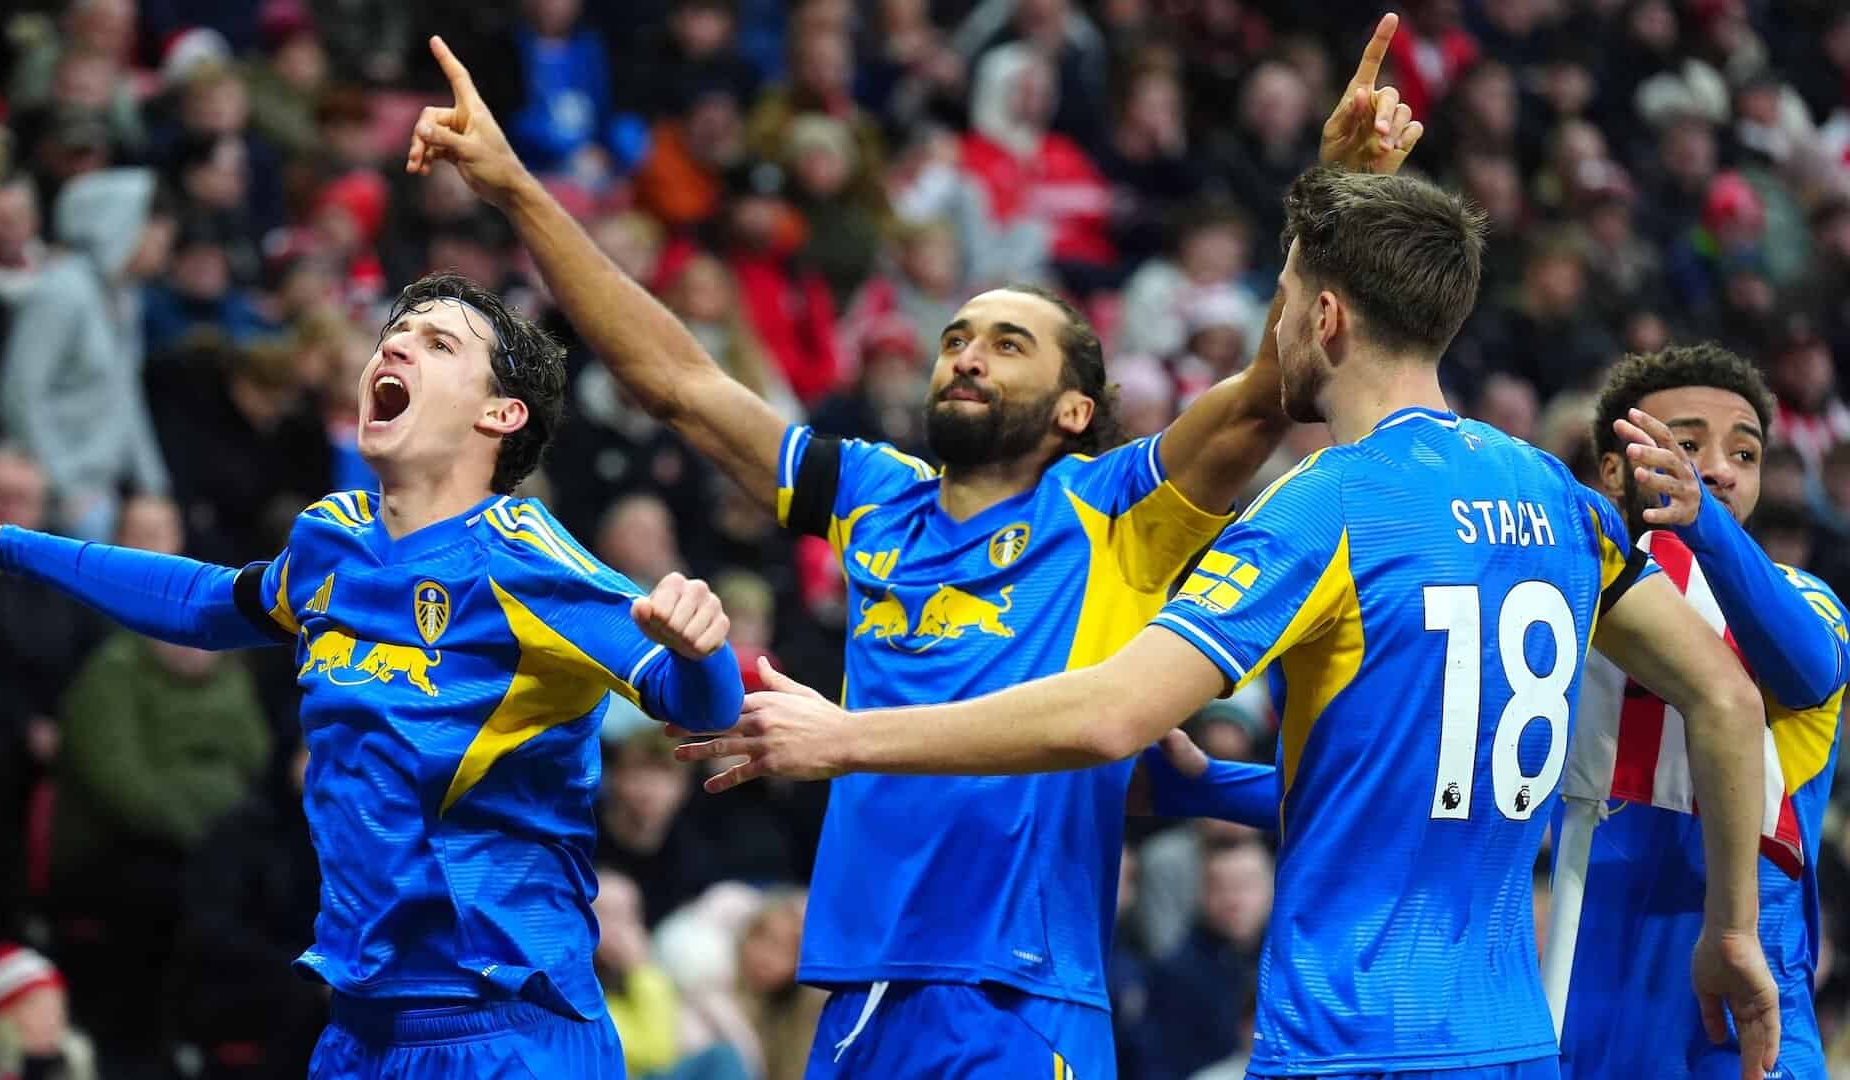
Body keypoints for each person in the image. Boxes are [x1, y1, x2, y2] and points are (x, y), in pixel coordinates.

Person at [404, 17, 1422, 1077]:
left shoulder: (1119, 506)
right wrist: (517, 187)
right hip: (858, 987)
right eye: (956, 339)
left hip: (1017, 994)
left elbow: (1267, 396)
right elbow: (681, 386)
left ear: (1077, 409)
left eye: (1006, 344)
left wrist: (1331, 200)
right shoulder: (874, 500)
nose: (967, 357)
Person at [678, 165, 1787, 1079]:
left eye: (1281, 299)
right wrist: (1732, 929)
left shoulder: (1328, 505)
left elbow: (1111, 715)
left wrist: (847, 737)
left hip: (1348, 1037)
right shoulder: (1560, 499)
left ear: (1325, 317)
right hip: (1507, 1041)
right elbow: (1729, 699)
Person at [0, 269, 747, 1078]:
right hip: (359, 1030)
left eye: (438, 342)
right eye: (396, 331)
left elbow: (700, 707)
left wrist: (703, 650)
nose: (396, 342)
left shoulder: (533, 564)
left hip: (509, 1036)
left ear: (501, 414)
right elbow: (207, 602)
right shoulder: (334, 541)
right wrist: (5, 547)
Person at [1550, 345, 1848, 1080]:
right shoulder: (1561, 614)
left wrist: (1705, 528)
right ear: (1614, 467)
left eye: (1743, 453)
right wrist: (1223, 785)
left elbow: (1806, 669)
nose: (1716, 469)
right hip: (1582, 1009)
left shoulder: (1803, 597)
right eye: (1685, 445)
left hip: (1738, 1015)